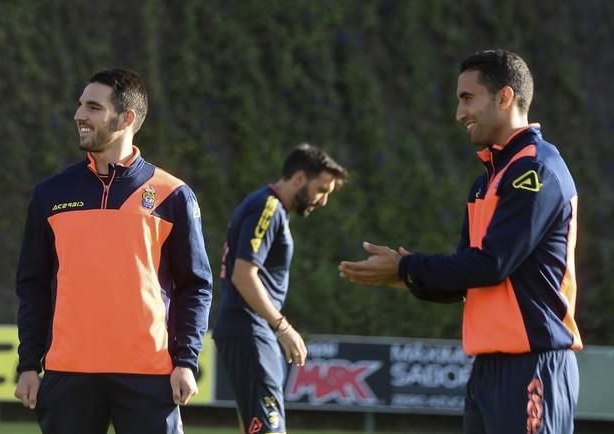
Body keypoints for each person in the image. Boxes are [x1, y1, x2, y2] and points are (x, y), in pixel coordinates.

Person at [339, 49, 582, 434]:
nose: (459, 113)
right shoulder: (486, 181)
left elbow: (491, 264)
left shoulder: (534, 171)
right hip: (487, 369)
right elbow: (467, 275)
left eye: (468, 98)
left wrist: (406, 266)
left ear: (504, 97)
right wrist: (404, 278)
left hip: (533, 364)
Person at [14, 68, 213, 434]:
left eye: (93, 107)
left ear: (127, 118)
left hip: (149, 374)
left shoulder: (173, 195)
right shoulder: (50, 194)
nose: (79, 115)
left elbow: (195, 286)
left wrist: (185, 360)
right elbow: (33, 284)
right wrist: (28, 364)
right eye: (79, 106)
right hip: (68, 372)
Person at [213, 144, 347, 434]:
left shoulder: (266, 206)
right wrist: (283, 326)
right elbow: (244, 275)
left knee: (255, 426)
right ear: (299, 178)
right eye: (321, 189)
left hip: (247, 329)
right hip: (250, 330)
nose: (322, 201)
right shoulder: (268, 207)